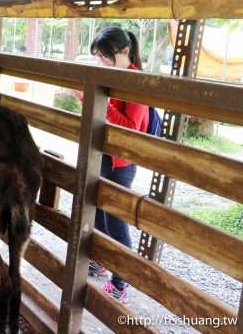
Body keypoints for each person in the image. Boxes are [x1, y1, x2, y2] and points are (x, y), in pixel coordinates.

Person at [87, 26, 149, 303]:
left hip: (121, 163)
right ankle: (101, 261)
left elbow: (131, 127)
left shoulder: (135, 81)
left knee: (115, 221)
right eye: (100, 57)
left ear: (125, 52)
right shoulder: (116, 75)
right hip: (106, 156)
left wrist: (101, 103)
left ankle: (121, 282)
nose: (102, 63)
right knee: (99, 212)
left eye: (106, 56)